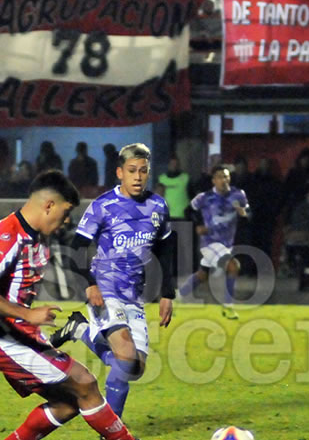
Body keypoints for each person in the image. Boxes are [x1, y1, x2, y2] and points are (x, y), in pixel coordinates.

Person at [0, 170, 138, 440]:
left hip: (20, 332)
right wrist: (26, 314)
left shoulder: (38, 237)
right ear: (49, 205)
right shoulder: (7, 235)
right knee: (85, 384)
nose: (66, 221)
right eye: (66, 212)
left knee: (68, 403)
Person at [47, 143, 175, 421]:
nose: (138, 177)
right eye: (132, 171)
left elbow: (165, 250)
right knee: (126, 355)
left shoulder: (158, 206)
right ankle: (112, 430)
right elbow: (76, 249)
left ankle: (80, 330)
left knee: (133, 368)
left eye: (143, 171)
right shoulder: (103, 206)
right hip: (105, 290)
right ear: (120, 172)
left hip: (134, 295)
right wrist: (89, 284)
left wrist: (168, 293)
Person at [178, 165, 250, 320]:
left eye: (226, 176)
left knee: (202, 275)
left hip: (226, 243)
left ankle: (176, 297)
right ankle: (228, 307)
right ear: (213, 180)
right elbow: (188, 211)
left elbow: (248, 214)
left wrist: (243, 213)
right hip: (209, 242)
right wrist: (198, 225)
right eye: (220, 177)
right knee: (233, 266)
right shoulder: (205, 197)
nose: (223, 180)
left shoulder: (238, 195)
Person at [157, 156, 191, 222]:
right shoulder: (161, 179)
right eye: (172, 164)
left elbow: (192, 195)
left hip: (183, 216)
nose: (174, 166)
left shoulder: (186, 178)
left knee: (184, 232)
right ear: (168, 165)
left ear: (179, 165)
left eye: (176, 164)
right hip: (166, 215)